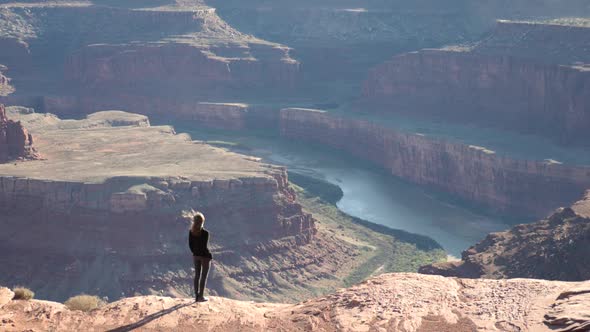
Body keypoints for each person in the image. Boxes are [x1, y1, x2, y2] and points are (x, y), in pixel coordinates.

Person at [188, 212, 212, 302]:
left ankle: (196, 296)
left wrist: (195, 253)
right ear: (202, 221)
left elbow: (190, 245)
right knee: (203, 276)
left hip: (196, 256)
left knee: (197, 275)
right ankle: (201, 296)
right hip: (204, 257)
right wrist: (208, 255)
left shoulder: (191, 232)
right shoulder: (205, 233)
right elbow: (204, 247)